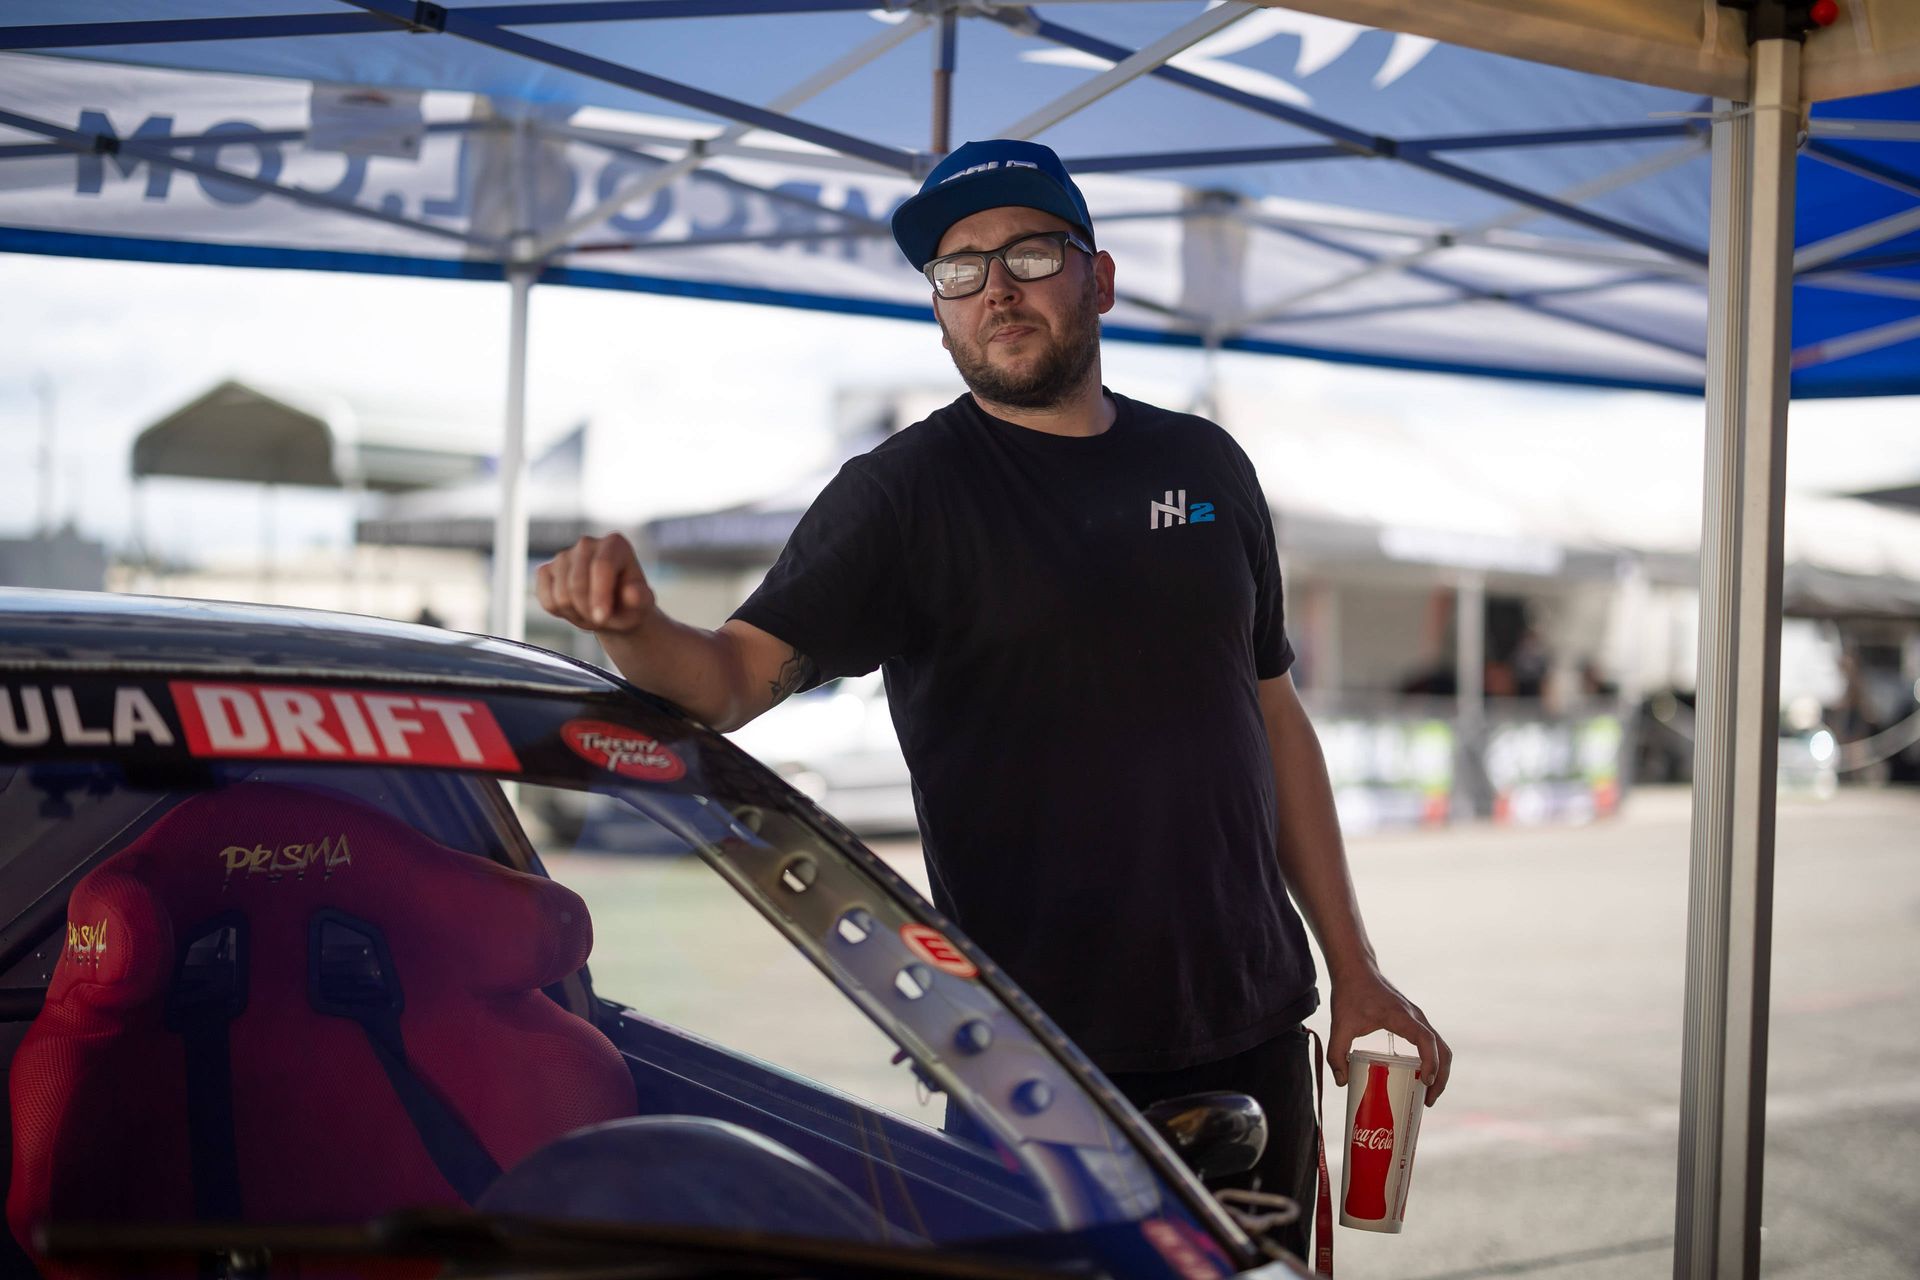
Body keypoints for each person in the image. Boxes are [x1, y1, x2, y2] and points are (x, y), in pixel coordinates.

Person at [536, 138, 1451, 1261]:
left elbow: (1273, 719)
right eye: (958, 271)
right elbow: (727, 681)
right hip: (1032, 1061)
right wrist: (635, 628)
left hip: (1255, 1022)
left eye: (1027, 251)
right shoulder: (903, 496)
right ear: (939, 313)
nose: (995, 289)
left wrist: (1355, 969)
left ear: (1098, 277)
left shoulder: (1209, 467)